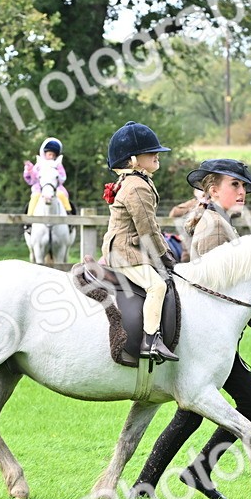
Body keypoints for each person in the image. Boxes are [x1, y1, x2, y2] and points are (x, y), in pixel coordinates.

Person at [130, 159, 251, 499]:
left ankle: (172, 480)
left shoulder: (216, 219)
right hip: (204, 336)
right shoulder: (214, 226)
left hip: (210, 334)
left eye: (243, 186)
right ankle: (169, 480)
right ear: (213, 189)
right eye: (235, 185)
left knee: (200, 411)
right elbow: (213, 286)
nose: (242, 191)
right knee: (243, 404)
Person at [100, 121, 177, 362]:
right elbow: (147, 230)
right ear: (133, 159)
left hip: (125, 248)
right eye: (151, 153)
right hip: (126, 253)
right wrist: (164, 254)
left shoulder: (135, 182)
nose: (157, 156)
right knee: (158, 286)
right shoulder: (136, 186)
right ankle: (151, 340)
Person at [24, 137, 72, 214]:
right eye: (50, 154)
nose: (51, 157)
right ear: (44, 154)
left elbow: (63, 177)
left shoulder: (57, 165)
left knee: (61, 195)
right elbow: (33, 179)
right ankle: (29, 219)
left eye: (53, 155)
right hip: (39, 189)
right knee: (35, 197)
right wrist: (29, 171)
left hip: (55, 188)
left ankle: (69, 214)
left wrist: (57, 177)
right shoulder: (39, 165)